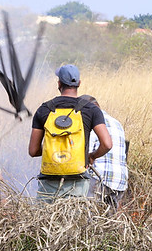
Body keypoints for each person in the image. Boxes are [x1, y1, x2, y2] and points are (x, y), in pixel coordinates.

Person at [28, 64, 112, 202]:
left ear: (59, 83)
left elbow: (33, 150)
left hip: (49, 179)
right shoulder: (91, 109)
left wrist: (53, 151)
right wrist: (91, 156)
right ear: (79, 83)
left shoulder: (44, 109)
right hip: (77, 180)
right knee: (73, 220)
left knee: (44, 220)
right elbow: (107, 144)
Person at [85, 96, 129, 210]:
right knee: (108, 221)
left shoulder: (91, 121)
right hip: (119, 182)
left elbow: (85, 154)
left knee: (88, 219)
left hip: (99, 179)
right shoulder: (116, 122)